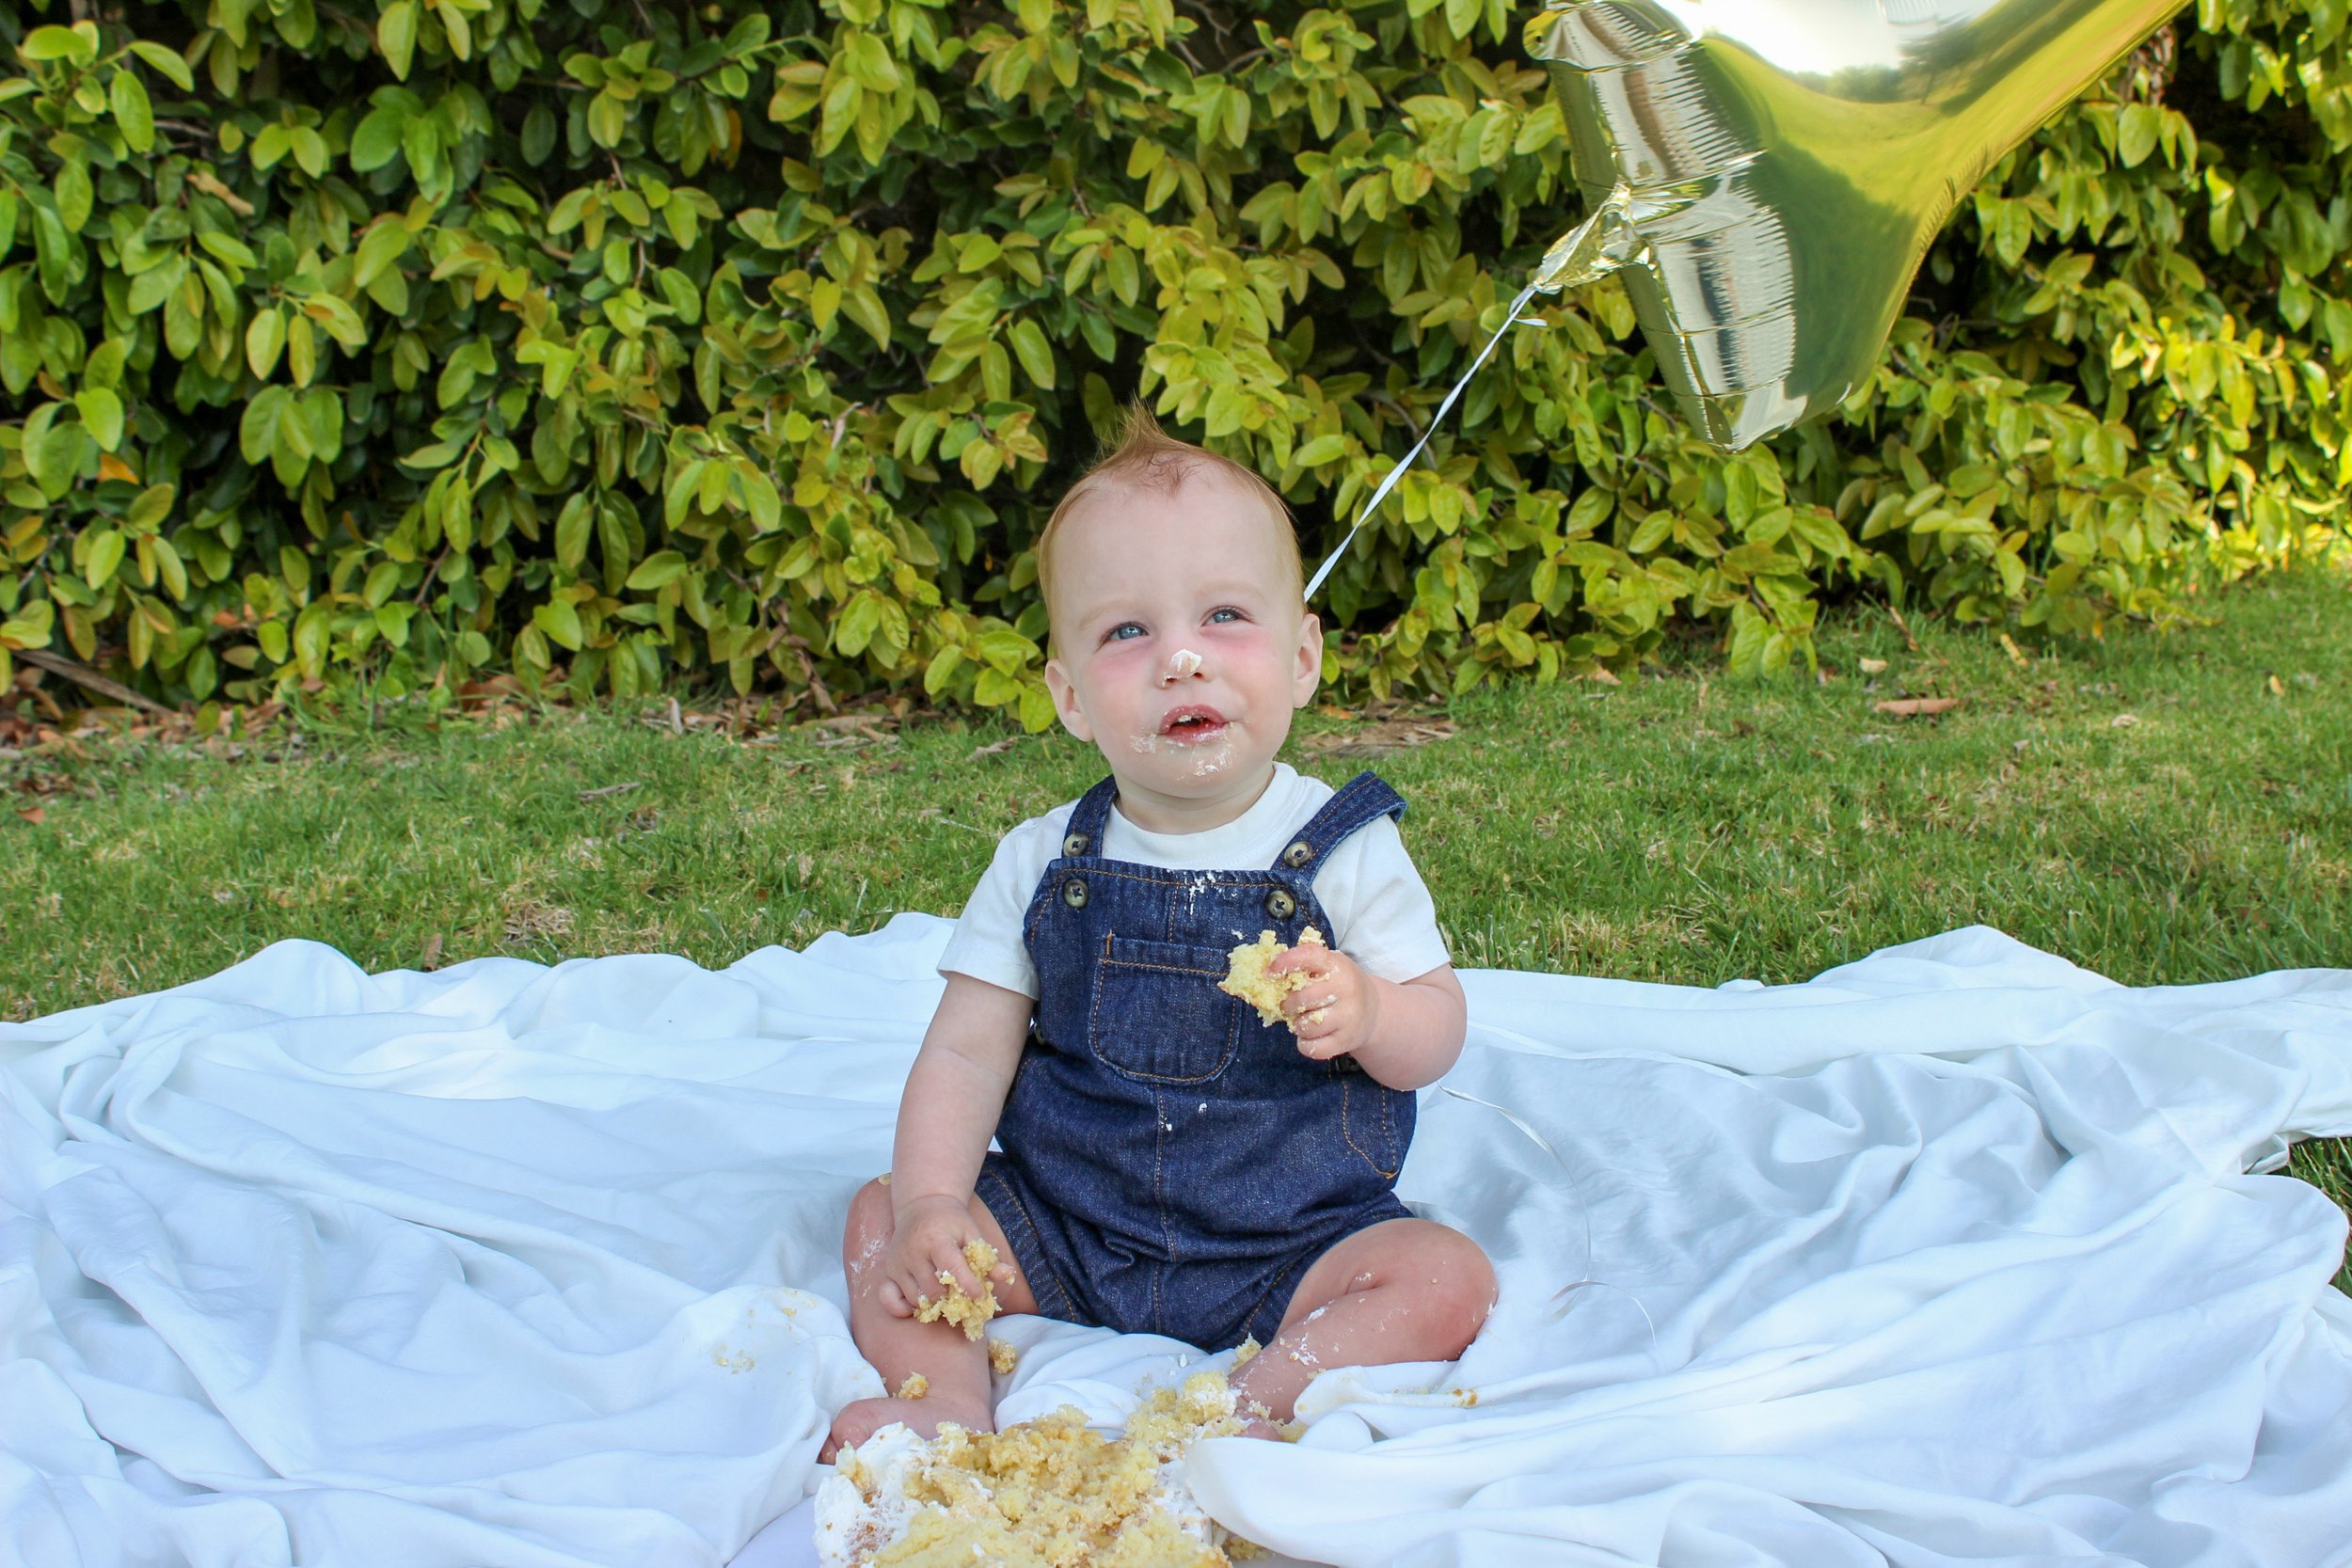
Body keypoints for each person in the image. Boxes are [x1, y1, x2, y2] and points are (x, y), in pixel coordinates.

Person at [820, 408, 1494, 1461]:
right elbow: (963, 1049)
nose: (1181, 657)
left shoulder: (1345, 850)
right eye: (1126, 631)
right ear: (1070, 695)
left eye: (1224, 614)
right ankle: (943, 1396)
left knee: (1446, 1274)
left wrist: (1368, 1008)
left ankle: (1260, 1396)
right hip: (1067, 1226)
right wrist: (936, 1203)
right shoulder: (1044, 859)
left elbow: (1437, 1030)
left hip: (1294, 1240)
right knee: (879, 1216)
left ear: (1303, 653)